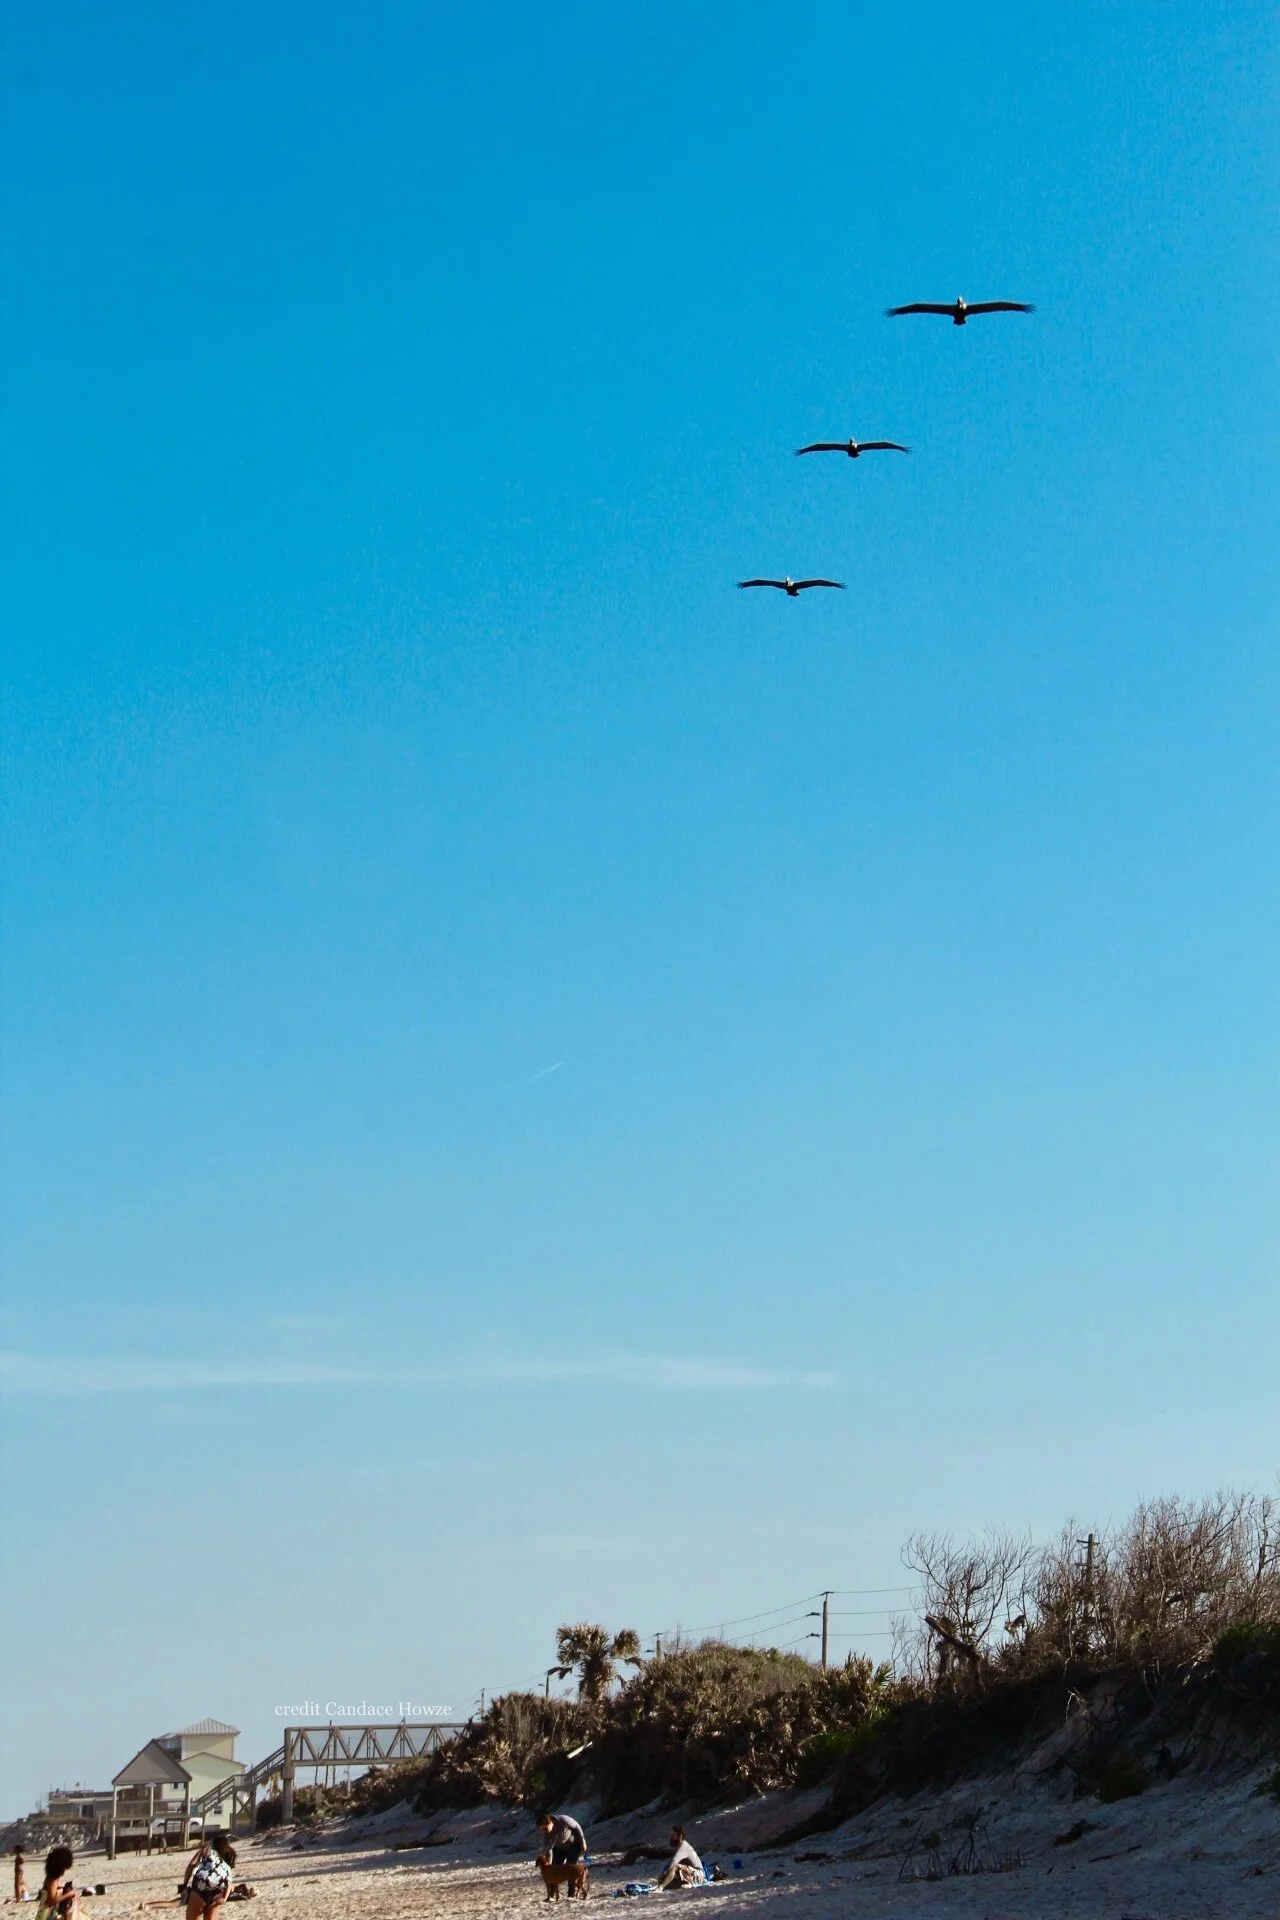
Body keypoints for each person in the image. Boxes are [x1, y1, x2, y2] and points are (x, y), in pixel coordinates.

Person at [181, 1839, 235, 1920]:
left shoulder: (206, 1850)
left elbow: (191, 1866)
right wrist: (224, 1898)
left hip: (201, 1884)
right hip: (217, 1889)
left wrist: (184, 1884)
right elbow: (229, 1880)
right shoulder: (227, 1856)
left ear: (213, 1845)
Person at [35, 1851, 76, 1920]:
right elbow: (51, 1900)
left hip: (50, 1913)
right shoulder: (53, 1879)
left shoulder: (52, 1878)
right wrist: (69, 1894)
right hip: (48, 1914)